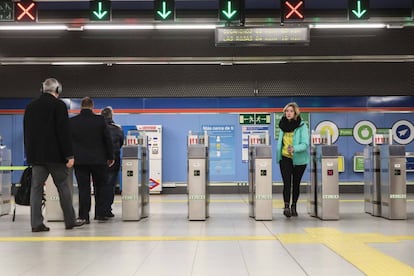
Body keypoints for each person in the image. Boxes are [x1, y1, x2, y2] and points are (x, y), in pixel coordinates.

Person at [23, 78, 86, 232]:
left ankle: (36, 223)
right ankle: (70, 221)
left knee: (36, 189)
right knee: (63, 187)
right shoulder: (59, 105)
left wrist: (30, 155)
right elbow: (63, 132)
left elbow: (27, 134)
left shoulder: (30, 107)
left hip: (37, 157)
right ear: (57, 90)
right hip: (56, 157)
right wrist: (69, 155)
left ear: (42, 89)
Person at [70, 97, 114, 223]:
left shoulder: (72, 122)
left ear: (81, 106)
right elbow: (107, 139)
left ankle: (84, 215)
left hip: (80, 161)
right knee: (100, 186)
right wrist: (110, 157)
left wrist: (69, 157)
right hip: (99, 160)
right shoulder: (100, 120)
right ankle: (100, 213)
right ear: (92, 106)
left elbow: (68, 142)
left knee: (83, 188)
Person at [276, 102, 309, 218]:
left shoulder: (302, 126)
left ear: (295, 113)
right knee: (287, 183)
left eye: (291, 111)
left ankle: (294, 206)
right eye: (286, 111)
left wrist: (295, 148)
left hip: (299, 159)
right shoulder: (282, 125)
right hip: (285, 157)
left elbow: (305, 144)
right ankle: (286, 207)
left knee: (296, 184)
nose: (288, 113)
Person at [100, 106, 124, 217]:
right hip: (114, 160)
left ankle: (100, 210)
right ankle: (107, 209)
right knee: (110, 185)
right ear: (111, 116)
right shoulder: (117, 129)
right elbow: (121, 143)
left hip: (100, 160)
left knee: (99, 185)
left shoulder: (98, 129)